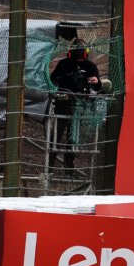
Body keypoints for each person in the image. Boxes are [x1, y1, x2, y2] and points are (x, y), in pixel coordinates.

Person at [49, 41, 100, 171]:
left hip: (80, 105)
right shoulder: (64, 64)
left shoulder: (90, 66)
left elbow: (97, 86)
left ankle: (69, 168)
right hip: (63, 103)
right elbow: (53, 79)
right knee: (56, 135)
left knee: (73, 137)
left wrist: (95, 82)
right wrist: (61, 86)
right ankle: (49, 167)